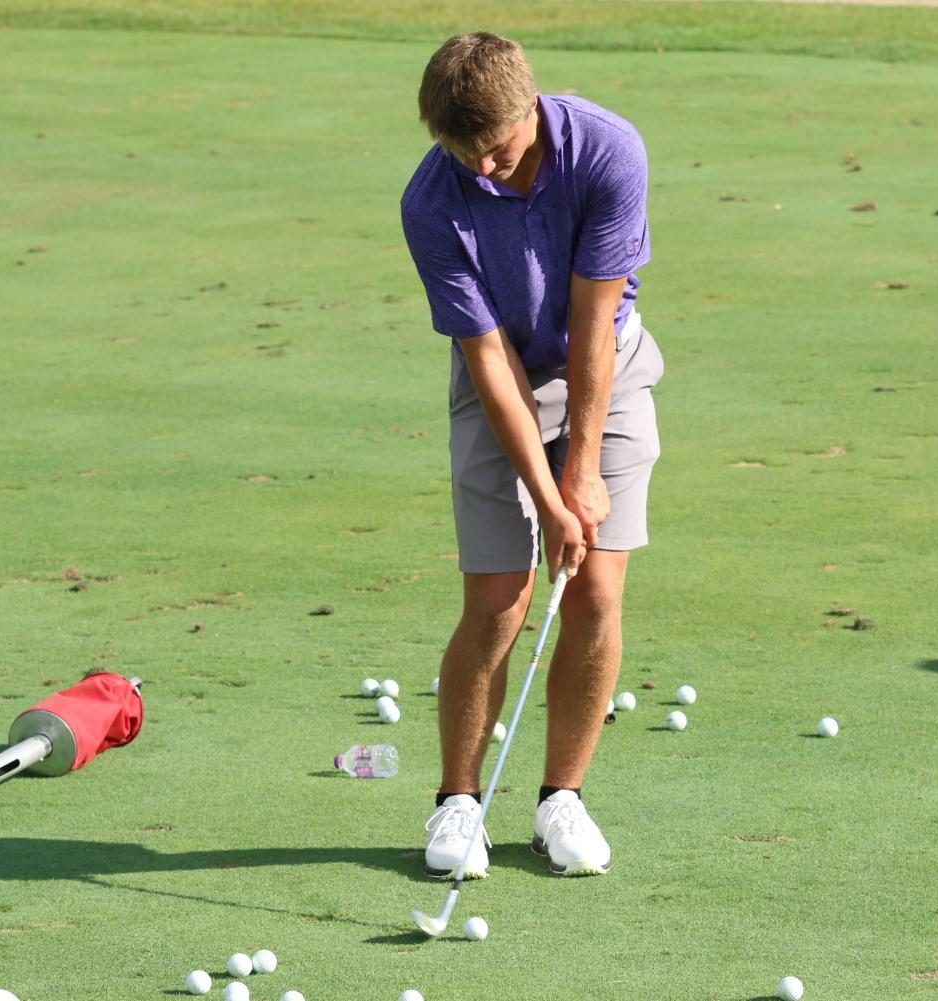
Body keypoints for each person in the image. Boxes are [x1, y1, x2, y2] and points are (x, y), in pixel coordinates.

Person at [400, 31, 664, 879]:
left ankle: (561, 797)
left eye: (499, 152)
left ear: (531, 110)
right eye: (461, 155)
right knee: (500, 600)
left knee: (595, 588)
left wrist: (579, 471)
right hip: (501, 385)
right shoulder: (430, 200)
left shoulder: (607, 150)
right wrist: (547, 500)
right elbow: (489, 363)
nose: (481, 170)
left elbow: (594, 325)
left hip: (605, 369)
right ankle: (457, 803)